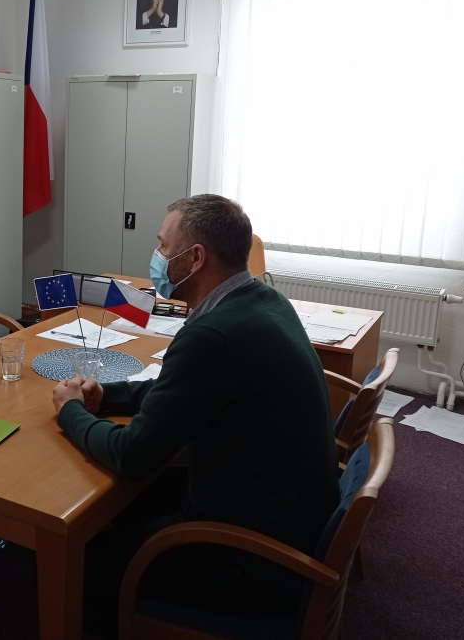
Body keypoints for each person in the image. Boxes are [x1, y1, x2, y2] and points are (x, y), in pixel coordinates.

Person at [51, 194, 339, 638]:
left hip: (254, 564)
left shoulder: (214, 334)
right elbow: (183, 391)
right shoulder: (263, 301)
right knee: (131, 508)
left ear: (196, 258)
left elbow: (132, 456)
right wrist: (107, 395)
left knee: (83, 565)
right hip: (284, 521)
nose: (157, 256)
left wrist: (70, 411)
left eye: (163, 247)